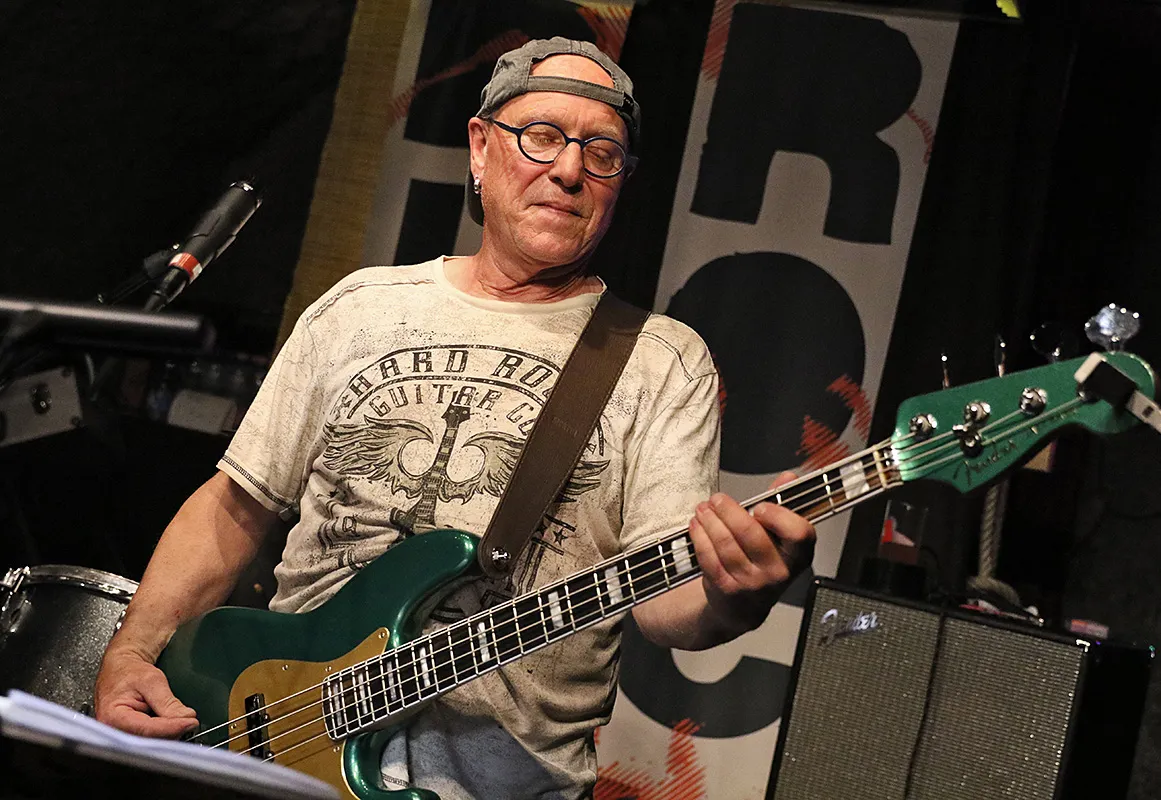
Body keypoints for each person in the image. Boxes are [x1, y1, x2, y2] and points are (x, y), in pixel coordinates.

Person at [94, 37, 815, 799]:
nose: (569, 169)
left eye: (602, 153)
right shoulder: (360, 307)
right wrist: (134, 650)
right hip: (278, 745)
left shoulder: (662, 360)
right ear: (480, 146)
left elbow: (667, 607)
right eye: (543, 136)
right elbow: (233, 506)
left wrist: (735, 594)